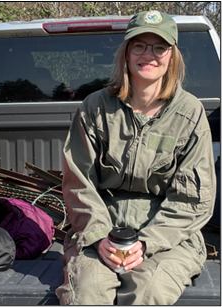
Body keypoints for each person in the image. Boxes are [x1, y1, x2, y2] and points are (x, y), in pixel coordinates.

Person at [55, 11, 216, 305]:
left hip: (169, 236)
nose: (149, 55)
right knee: (86, 292)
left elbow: (192, 200)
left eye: (159, 47)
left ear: (172, 56)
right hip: (101, 227)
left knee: (149, 291)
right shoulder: (96, 108)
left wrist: (147, 242)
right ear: (126, 53)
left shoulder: (189, 114)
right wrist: (101, 236)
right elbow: (79, 183)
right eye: (139, 45)